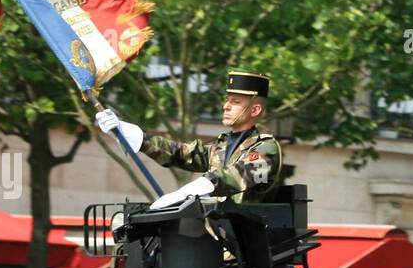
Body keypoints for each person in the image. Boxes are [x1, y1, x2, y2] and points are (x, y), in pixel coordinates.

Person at [94, 70, 283, 204]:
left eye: (235, 102)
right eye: (227, 100)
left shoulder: (266, 148)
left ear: (255, 110)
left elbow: (235, 177)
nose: (225, 106)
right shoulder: (222, 145)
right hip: (214, 239)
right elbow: (180, 153)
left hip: (246, 247)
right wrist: (131, 135)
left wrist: (189, 191)